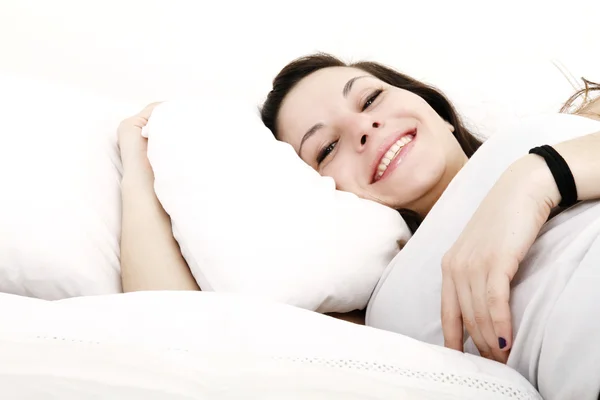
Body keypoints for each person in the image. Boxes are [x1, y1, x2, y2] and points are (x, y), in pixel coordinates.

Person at [117, 53, 600, 366]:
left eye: (370, 97)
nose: (364, 127)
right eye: (326, 149)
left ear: (434, 109)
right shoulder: (379, 308)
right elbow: (177, 328)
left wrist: (537, 177)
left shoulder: (565, 128)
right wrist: (140, 162)